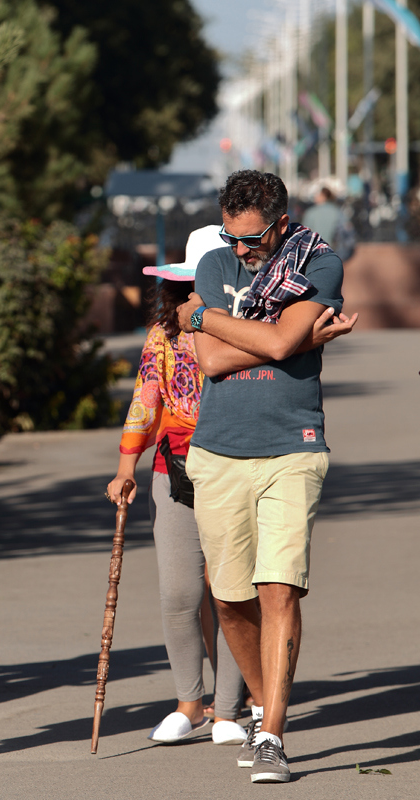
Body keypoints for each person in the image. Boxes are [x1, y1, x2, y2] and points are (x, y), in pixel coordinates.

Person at [176, 170, 357, 783]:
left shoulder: (320, 264)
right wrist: (289, 338)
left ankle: (273, 735)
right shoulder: (214, 262)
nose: (240, 249)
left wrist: (204, 319)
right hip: (218, 450)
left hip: (293, 448)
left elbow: (275, 345)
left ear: (281, 223)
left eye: (252, 239)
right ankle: (260, 704)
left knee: (279, 589)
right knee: (230, 600)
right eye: (232, 237)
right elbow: (212, 361)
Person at [106, 225, 247, 747]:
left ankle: (228, 707)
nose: (196, 293)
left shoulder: (249, 327)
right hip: (175, 469)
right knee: (180, 592)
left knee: (230, 590)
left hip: (237, 465)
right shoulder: (163, 334)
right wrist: (126, 466)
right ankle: (190, 701)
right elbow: (147, 398)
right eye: (191, 284)